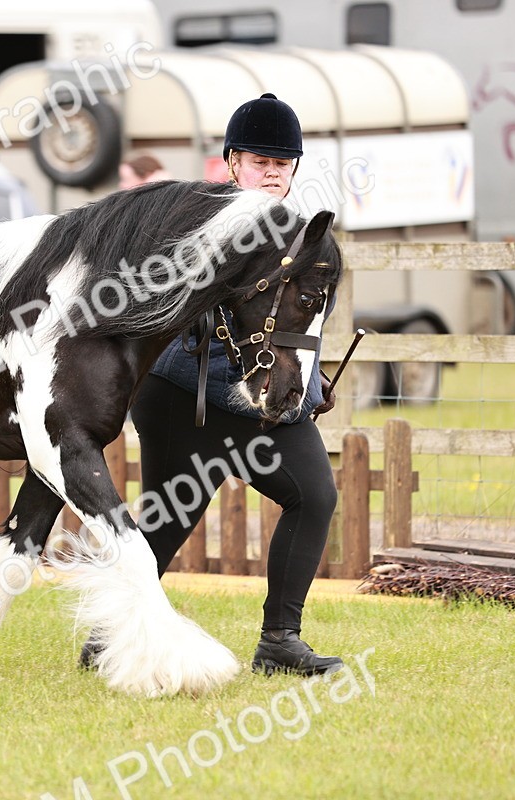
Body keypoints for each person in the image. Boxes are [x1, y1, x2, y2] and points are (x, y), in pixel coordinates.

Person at [83, 93, 344, 677]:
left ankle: (280, 640)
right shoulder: (191, 220)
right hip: (185, 394)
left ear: (295, 167)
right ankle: (110, 634)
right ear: (231, 162)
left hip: (267, 409)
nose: (271, 171)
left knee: (315, 496)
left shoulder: (308, 237)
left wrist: (308, 380)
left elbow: (300, 321)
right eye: (258, 160)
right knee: (170, 519)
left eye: (281, 162)